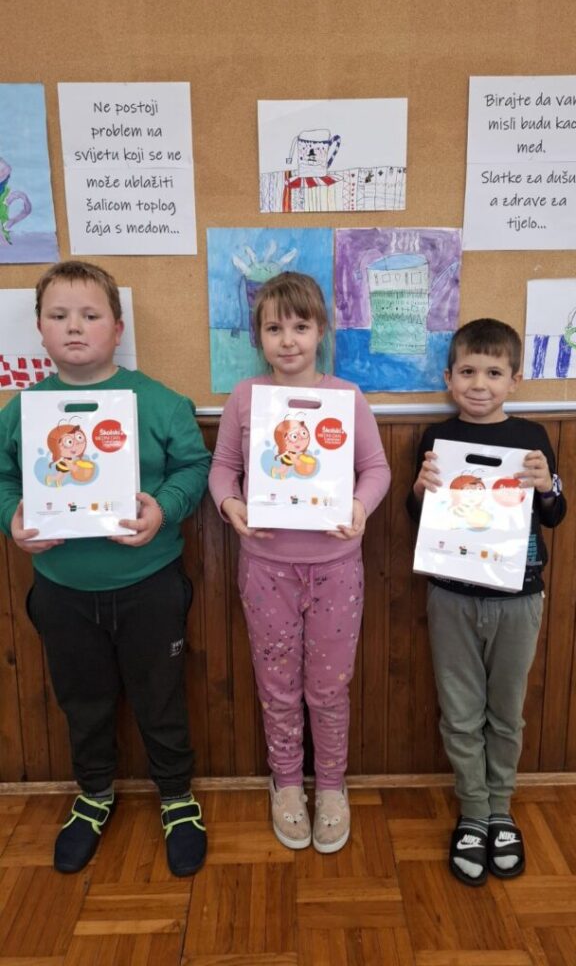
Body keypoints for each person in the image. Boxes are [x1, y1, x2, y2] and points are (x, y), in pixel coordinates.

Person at [0, 260, 211, 877]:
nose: (74, 327)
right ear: (39, 329)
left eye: (90, 315)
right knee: (82, 699)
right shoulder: (21, 411)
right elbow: (3, 478)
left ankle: (177, 796)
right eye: (59, 315)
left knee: (160, 696)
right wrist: (13, 516)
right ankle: (93, 793)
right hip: (62, 591)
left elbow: (194, 468)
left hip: (150, 586)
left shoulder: (160, 402)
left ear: (117, 329)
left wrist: (163, 509)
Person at [209, 271, 390, 853]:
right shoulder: (246, 397)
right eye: (273, 328)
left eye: (300, 326)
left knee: (329, 688)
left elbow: (376, 468)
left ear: (321, 331)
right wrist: (231, 504)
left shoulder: (346, 398)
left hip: (336, 567)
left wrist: (360, 507)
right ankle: (287, 783)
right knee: (277, 685)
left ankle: (331, 786)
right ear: (258, 337)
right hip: (266, 568)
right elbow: (223, 467)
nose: (288, 340)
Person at [406, 318, 566, 886]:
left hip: (519, 596)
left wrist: (547, 485)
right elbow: (418, 517)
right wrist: (420, 488)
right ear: (448, 378)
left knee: (507, 711)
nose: (480, 384)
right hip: (451, 593)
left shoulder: (533, 436)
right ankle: (473, 812)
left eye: (494, 373)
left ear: (515, 380)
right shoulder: (437, 439)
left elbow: (554, 514)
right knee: (460, 712)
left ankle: (501, 808)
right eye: (468, 371)